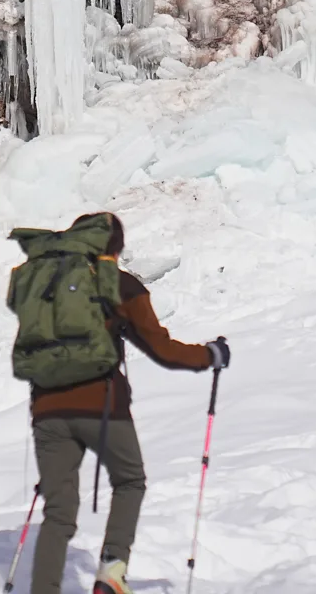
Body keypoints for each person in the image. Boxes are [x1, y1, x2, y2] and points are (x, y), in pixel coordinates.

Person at [27, 212, 229, 594]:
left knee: (58, 510)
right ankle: (111, 574)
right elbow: (162, 349)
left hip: (47, 411)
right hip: (101, 406)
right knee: (130, 480)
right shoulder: (121, 286)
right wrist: (210, 356)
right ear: (116, 248)